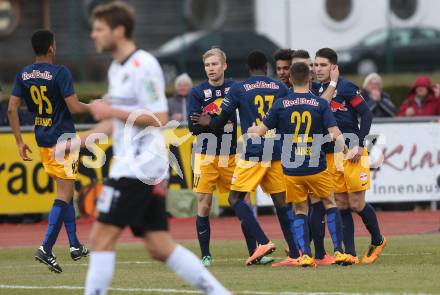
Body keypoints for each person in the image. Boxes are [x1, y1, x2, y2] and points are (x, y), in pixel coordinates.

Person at [84, 3, 232, 295]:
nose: (93, 35)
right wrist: (80, 140)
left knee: (100, 239)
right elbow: (116, 120)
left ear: (119, 31)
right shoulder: (117, 68)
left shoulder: (144, 65)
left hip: (137, 167)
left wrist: (110, 109)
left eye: (99, 29)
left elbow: (158, 119)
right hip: (135, 165)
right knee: (159, 247)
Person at [191, 50, 300, 266]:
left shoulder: (239, 89)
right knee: (281, 202)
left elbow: (219, 121)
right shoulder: (279, 87)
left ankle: (263, 241)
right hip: (276, 149)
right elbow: (289, 117)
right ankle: (296, 253)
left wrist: (208, 123)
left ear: (248, 69)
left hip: (254, 150)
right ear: (267, 68)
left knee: (235, 199)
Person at [248, 62, 350, 267]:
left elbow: (259, 133)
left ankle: (305, 255)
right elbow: (334, 133)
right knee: (330, 204)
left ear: (291, 80)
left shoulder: (280, 104)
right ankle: (339, 251)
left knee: (300, 210)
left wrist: (252, 130)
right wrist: (347, 151)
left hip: (292, 169)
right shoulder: (320, 104)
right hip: (317, 166)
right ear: (309, 79)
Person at [8, 29, 90, 273]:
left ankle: (74, 245)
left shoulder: (23, 73)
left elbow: (12, 109)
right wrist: (97, 108)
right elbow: (74, 107)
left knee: (66, 190)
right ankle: (46, 247)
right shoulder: (60, 72)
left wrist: (19, 142)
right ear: (52, 47)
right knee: (64, 193)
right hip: (63, 138)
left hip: (42, 138)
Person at [187, 48, 268, 267]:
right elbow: (193, 127)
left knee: (244, 201)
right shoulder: (197, 93)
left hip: (232, 155)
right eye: (207, 65)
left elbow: (247, 113)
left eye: (214, 64)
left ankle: (256, 251)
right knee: (204, 203)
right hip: (205, 155)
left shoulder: (236, 88)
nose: (211, 69)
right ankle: (205, 255)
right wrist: (216, 124)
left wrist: (211, 122)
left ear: (225, 65)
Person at [314, 48, 387, 264]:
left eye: (323, 65)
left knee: (357, 203)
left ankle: (378, 239)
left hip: (351, 152)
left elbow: (366, 113)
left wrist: (361, 144)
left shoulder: (345, 87)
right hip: (329, 154)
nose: (318, 69)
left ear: (334, 67)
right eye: (316, 65)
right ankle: (351, 254)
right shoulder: (316, 90)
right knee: (342, 204)